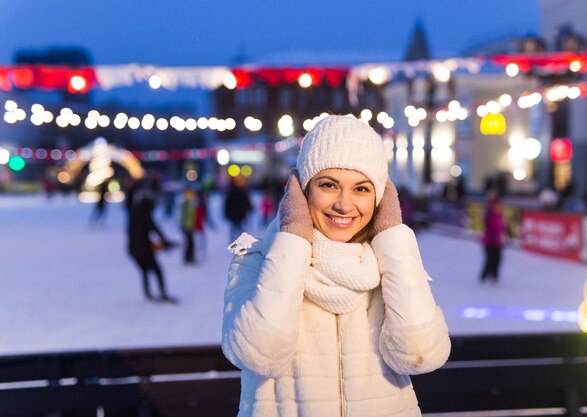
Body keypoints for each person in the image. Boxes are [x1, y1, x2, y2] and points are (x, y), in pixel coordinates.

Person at [222, 115, 450, 417]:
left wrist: (394, 237)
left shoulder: (391, 265)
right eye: (329, 185)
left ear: (380, 199)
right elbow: (258, 354)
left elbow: (421, 355)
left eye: (362, 189)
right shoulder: (257, 260)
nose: (344, 204)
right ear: (302, 191)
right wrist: (293, 240)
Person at [127, 181, 177, 303]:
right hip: (143, 249)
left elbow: (129, 202)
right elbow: (157, 231)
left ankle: (148, 293)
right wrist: (166, 243)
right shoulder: (146, 217)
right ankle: (163, 294)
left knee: (144, 270)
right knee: (158, 271)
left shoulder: (133, 213)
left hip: (133, 250)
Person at [480, 193, 507, 284]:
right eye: (497, 206)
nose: (499, 207)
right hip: (489, 242)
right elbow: (490, 229)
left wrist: (504, 236)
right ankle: (484, 276)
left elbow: (502, 227)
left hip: (498, 242)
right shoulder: (489, 216)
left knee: (498, 259)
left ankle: (494, 275)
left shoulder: (500, 216)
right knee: (490, 259)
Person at [223, 177, 253, 241]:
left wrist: (226, 213)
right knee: (239, 227)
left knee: (235, 227)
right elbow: (246, 202)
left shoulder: (230, 192)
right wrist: (249, 208)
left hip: (235, 213)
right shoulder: (240, 191)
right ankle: (240, 240)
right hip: (239, 213)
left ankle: (235, 240)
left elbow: (227, 204)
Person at [179, 187, 197, 264]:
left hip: (189, 226)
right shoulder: (185, 204)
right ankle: (188, 258)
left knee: (191, 243)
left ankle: (189, 257)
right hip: (186, 227)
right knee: (190, 243)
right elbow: (183, 216)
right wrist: (184, 225)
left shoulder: (189, 203)